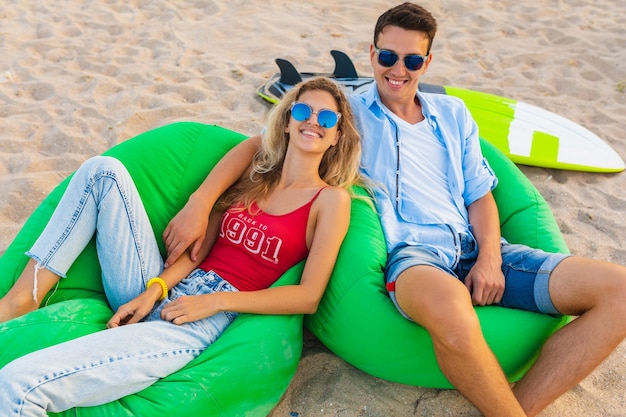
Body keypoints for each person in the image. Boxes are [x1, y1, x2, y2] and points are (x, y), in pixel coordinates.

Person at [160, 3, 626, 417]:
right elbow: (258, 145)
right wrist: (201, 204)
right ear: (372, 54)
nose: (397, 70)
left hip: (476, 245)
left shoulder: (454, 114)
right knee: (450, 306)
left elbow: (480, 195)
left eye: (411, 59)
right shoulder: (350, 114)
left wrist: (489, 258)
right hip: (414, 258)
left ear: (428, 61)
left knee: (619, 291)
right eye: (387, 56)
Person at [0, 76, 362, 415]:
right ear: (286, 121)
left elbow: (308, 295)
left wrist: (216, 301)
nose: (312, 121)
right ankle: (25, 295)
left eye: (326, 117)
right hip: (164, 287)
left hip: (201, 321)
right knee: (102, 170)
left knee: (18, 385)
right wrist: (153, 290)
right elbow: (200, 251)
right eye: (302, 111)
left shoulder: (331, 201)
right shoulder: (258, 174)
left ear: (336, 135)